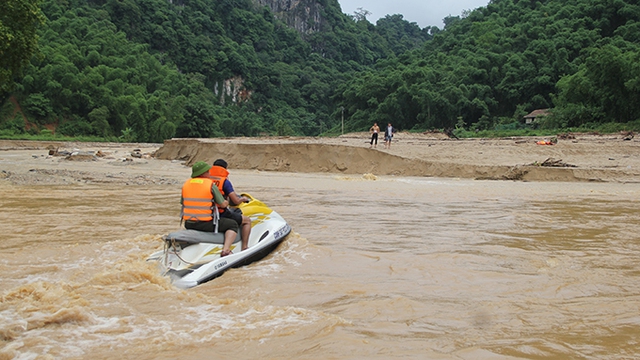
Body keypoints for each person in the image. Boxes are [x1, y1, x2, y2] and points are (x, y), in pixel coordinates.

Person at [181, 161, 239, 257]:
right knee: (232, 224)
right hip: (204, 223)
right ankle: (226, 250)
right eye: (208, 172)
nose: (210, 173)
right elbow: (223, 204)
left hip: (188, 223)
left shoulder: (186, 184)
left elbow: (182, 202)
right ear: (203, 173)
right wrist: (227, 202)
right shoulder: (210, 185)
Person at [206, 159, 251, 251]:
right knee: (247, 221)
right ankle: (244, 247)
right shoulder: (225, 182)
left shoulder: (205, 180)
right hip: (220, 213)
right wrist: (243, 199)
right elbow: (235, 200)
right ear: (225, 169)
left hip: (206, 213)